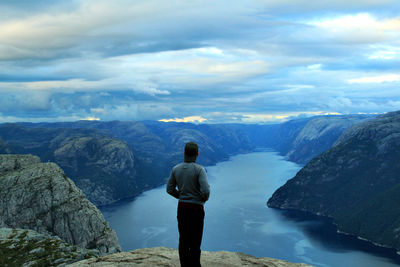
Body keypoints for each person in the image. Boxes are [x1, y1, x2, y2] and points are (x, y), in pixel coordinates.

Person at [166, 142, 210, 267]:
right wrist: (202, 199)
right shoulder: (199, 169)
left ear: (184, 153)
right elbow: (206, 190)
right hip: (197, 209)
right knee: (196, 241)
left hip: (182, 208)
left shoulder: (176, 169)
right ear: (197, 154)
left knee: (184, 239)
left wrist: (180, 196)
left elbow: (169, 189)